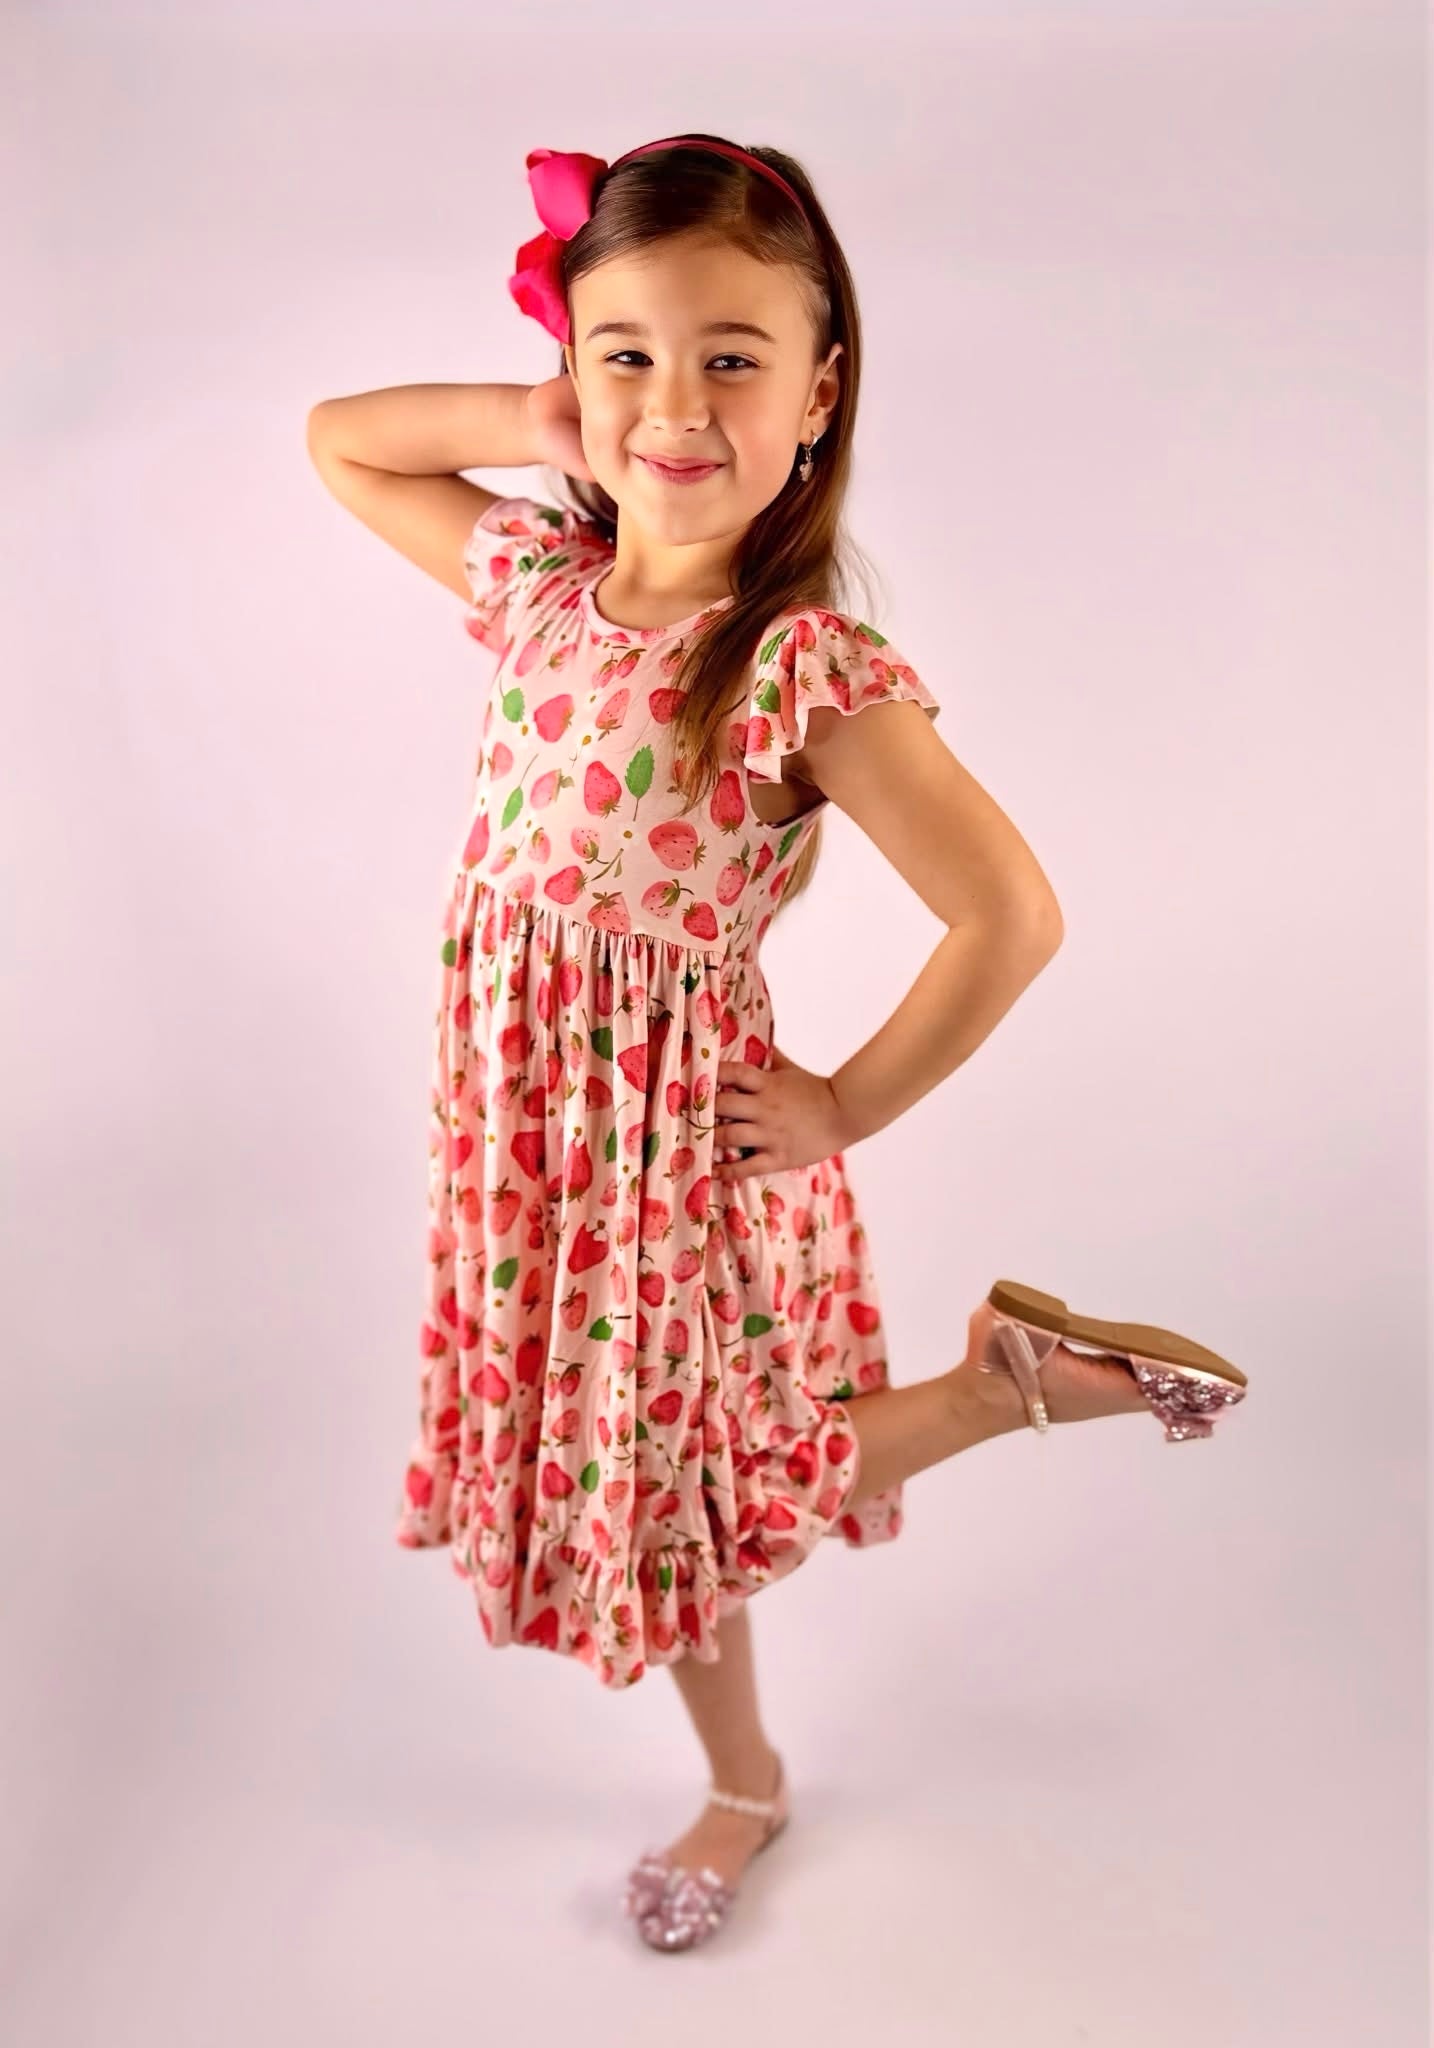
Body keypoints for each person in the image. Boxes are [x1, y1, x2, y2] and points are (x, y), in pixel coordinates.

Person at [306, 132, 1249, 1954]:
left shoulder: (798, 667)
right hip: (528, 1144)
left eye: (730, 359)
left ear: (817, 396)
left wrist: (842, 1106)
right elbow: (343, 440)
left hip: (664, 1149)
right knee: (668, 1479)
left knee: (675, 1488)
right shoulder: (537, 583)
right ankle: (981, 1418)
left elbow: (1009, 914)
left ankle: (943, 1472)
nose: (675, 405)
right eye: (629, 354)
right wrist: (542, 410)